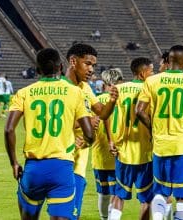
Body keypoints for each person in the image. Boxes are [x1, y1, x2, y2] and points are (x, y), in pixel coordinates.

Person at [3, 48, 94, 220]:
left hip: (33, 169)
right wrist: (86, 141)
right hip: (62, 169)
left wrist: (14, 163)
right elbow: (88, 132)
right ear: (61, 67)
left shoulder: (24, 93)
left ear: (37, 70)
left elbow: (8, 129)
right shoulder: (76, 92)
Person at [136, 45, 183, 220]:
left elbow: (139, 111)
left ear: (169, 60)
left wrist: (154, 129)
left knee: (160, 191)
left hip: (161, 145)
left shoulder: (152, 81)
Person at [63, 43, 118, 219]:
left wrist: (112, 100)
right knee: (66, 214)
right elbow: (55, 123)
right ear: (73, 61)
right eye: (87, 63)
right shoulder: (62, 89)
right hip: (64, 161)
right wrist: (85, 122)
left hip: (79, 162)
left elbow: (101, 112)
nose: (91, 69)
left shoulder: (85, 88)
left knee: (71, 214)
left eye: (93, 65)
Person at [108, 57, 154, 220]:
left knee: (119, 195)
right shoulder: (150, 89)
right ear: (142, 73)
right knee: (147, 198)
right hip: (145, 151)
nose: (153, 73)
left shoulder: (119, 89)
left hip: (123, 151)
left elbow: (110, 117)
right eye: (151, 70)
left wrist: (111, 140)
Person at [91, 68, 124, 220]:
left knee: (103, 193)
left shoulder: (96, 102)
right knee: (116, 193)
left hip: (100, 155)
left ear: (104, 84)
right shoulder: (124, 98)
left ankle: (105, 218)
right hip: (121, 153)